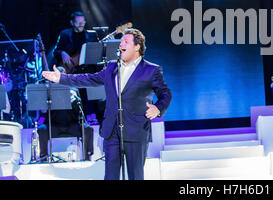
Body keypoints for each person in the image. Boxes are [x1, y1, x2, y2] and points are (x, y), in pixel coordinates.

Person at [43, 28, 172, 180]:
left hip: (136, 130)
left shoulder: (151, 70)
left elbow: (165, 94)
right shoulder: (112, 67)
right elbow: (88, 79)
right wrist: (62, 78)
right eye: (121, 41)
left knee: (135, 175)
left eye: (125, 41)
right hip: (112, 130)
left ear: (137, 47)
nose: (120, 44)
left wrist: (157, 108)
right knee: (110, 176)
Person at [52, 11, 101, 124]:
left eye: (82, 21)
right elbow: (56, 51)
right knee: (77, 97)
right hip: (72, 70)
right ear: (72, 23)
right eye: (78, 22)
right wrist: (63, 52)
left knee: (94, 93)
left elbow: (97, 49)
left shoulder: (90, 35)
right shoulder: (65, 34)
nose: (81, 24)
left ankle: (95, 119)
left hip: (88, 69)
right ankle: (79, 120)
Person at [37, 67, 94, 161]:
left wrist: (74, 100)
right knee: (42, 129)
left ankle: (87, 156)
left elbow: (80, 110)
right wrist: (48, 101)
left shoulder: (73, 89)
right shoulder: (49, 91)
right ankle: (43, 157)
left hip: (71, 125)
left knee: (88, 129)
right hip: (54, 126)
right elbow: (43, 112)